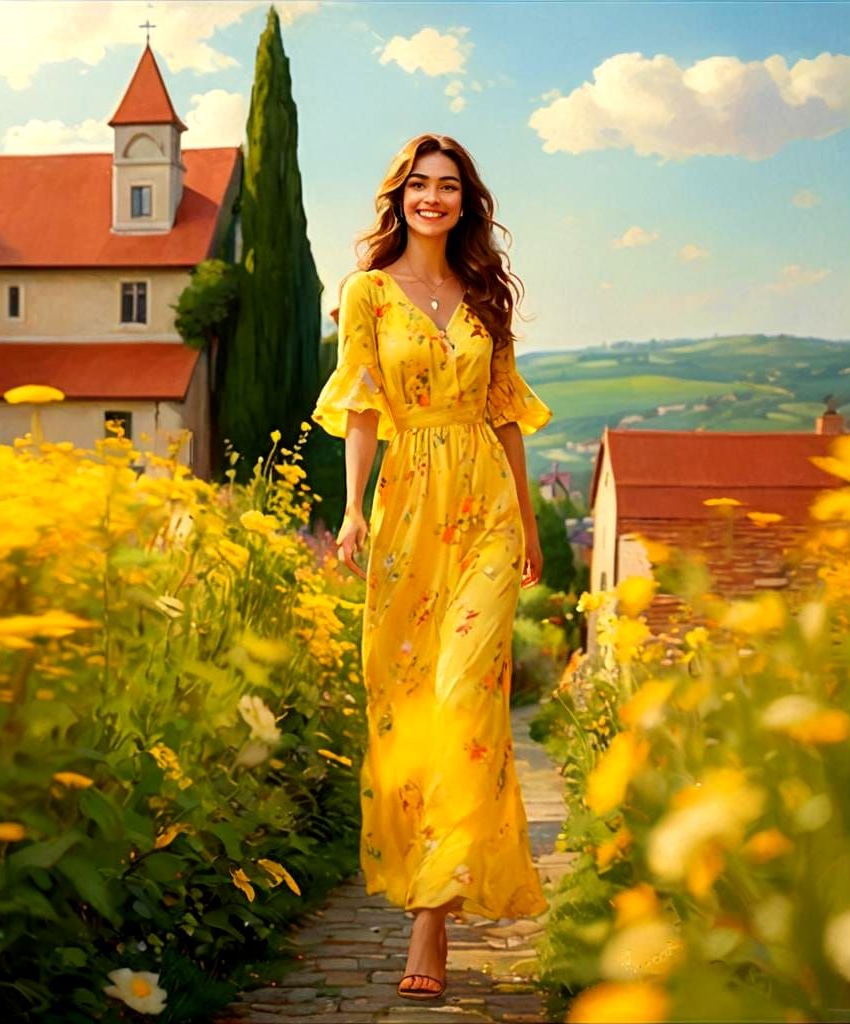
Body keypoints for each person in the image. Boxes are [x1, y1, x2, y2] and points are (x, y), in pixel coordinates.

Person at [310, 133, 553, 1001]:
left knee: (462, 696)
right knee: (410, 700)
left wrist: (528, 524)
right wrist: (350, 509)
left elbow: (507, 416)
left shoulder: (484, 296)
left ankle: (432, 916)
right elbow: (364, 407)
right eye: (420, 184)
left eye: (449, 186)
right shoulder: (368, 293)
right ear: (399, 197)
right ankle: (433, 884)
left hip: (485, 507)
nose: (434, 198)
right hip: (408, 508)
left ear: (467, 202)